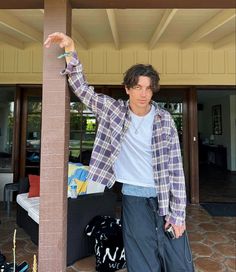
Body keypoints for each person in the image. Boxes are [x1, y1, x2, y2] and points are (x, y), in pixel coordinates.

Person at [44, 32, 194, 272]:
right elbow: (83, 90)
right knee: (142, 260)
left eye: (148, 88)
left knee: (177, 260)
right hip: (133, 197)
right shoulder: (113, 111)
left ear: (153, 90)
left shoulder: (164, 120)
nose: (143, 93)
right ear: (127, 89)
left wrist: (178, 214)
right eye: (137, 87)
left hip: (164, 197)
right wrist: (71, 51)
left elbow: (176, 169)